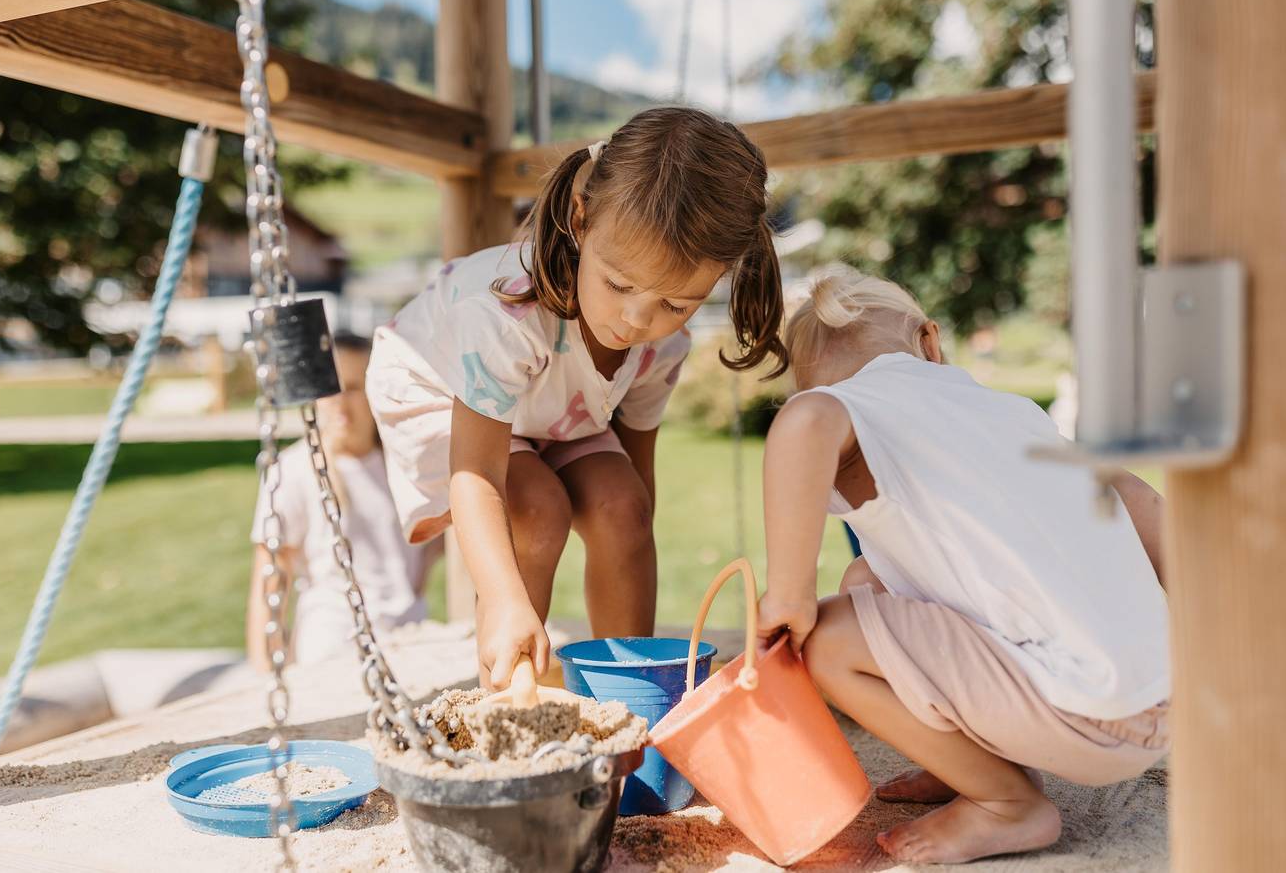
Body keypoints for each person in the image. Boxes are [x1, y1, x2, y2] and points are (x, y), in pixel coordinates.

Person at [757, 270, 1169, 864]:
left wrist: (789, 594)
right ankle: (969, 758)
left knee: (829, 637)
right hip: (1154, 700)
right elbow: (1135, 496)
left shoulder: (849, 408)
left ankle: (1006, 803)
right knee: (866, 584)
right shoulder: (1011, 411)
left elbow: (808, 421)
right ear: (930, 342)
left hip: (1086, 718)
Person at [368, 107, 787, 689]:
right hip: (438, 385)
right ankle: (508, 693)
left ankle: (633, 693)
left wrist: (629, 529)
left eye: (676, 304)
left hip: (551, 406)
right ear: (581, 218)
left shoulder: (661, 348)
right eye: (618, 284)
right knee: (537, 511)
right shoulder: (504, 316)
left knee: (622, 507)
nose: (636, 320)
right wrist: (504, 598)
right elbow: (478, 472)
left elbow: (637, 477)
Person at [246, 334, 433, 669]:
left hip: (408, 633)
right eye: (329, 389)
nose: (341, 402)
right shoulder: (295, 470)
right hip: (335, 639)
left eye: (354, 387)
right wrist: (265, 666)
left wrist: (417, 585)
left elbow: (435, 540)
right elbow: (271, 576)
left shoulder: (403, 463)